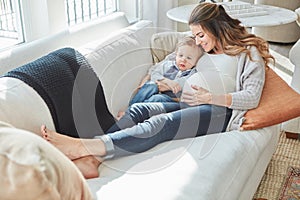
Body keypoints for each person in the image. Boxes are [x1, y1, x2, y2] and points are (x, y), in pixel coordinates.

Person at [40, 2, 274, 179]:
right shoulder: (205, 48)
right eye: (195, 36)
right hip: (187, 100)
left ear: (216, 27)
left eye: (201, 35)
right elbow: (175, 58)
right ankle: (94, 158)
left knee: (163, 123)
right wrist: (157, 79)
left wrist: (210, 97)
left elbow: (252, 97)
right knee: (142, 108)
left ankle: (82, 146)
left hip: (219, 111)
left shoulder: (248, 51)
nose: (198, 40)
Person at [129, 36, 203, 105]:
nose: (183, 60)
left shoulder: (193, 73)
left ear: (196, 61)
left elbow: (183, 84)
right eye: (180, 55)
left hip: (172, 100)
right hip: (157, 91)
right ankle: (131, 108)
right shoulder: (167, 65)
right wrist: (167, 81)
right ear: (176, 55)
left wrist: (168, 84)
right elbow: (154, 74)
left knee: (157, 98)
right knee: (151, 85)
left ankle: (133, 112)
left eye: (189, 58)